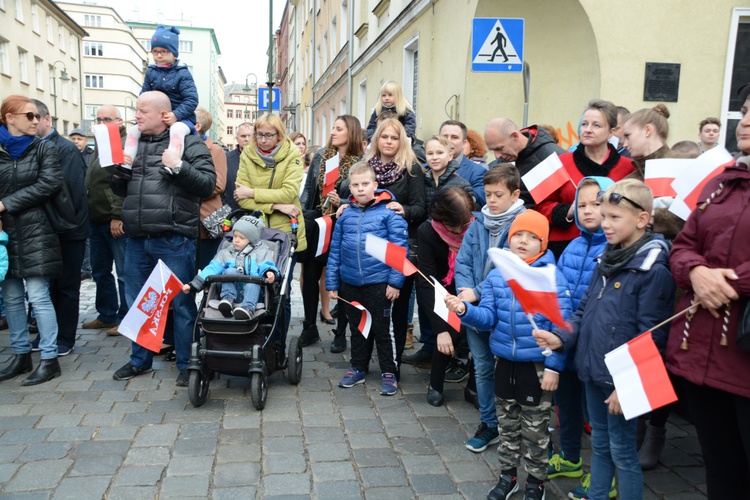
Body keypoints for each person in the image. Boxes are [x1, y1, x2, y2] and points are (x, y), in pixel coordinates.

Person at [534, 179, 676, 500]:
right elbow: (583, 312)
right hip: (593, 370)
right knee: (600, 443)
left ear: (642, 219)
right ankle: (597, 493)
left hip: (621, 382)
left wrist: (628, 387)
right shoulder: (608, 258)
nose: (605, 223)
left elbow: (652, 336)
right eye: (605, 215)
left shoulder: (652, 270)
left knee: (623, 451)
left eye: (614, 217)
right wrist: (559, 338)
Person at [445, 210, 572, 500]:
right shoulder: (497, 275)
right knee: (507, 426)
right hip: (504, 362)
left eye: (532, 237)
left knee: (536, 431)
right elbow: (488, 318)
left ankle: (536, 481)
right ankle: (508, 476)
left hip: (536, 367)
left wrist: (553, 367)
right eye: (518, 235)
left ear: (544, 242)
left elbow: (561, 326)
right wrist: (465, 311)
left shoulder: (551, 277)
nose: (523, 241)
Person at [664, 83, 750, 499]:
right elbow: (683, 244)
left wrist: (728, 281)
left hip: (744, 354)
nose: (746, 121)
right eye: (746, 110)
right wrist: (696, 273)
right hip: (702, 353)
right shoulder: (722, 183)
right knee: (720, 467)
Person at [110, 91, 216, 387]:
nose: (136, 116)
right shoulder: (133, 143)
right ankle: (139, 361)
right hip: (137, 238)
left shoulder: (188, 141)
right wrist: (118, 174)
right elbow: (121, 191)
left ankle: (186, 363)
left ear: (162, 114)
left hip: (174, 238)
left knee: (181, 304)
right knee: (138, 303)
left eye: (142, 111)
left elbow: (207, 184)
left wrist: (179, 166)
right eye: (136, 110)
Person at [547, 176, 615, 500]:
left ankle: (606, 477)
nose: (589, 210)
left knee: (601, 420)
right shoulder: (573, 245)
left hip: (595, 347)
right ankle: (570, 459)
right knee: (567, 405)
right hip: (568, 341)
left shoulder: (613, 248)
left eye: (596, 203)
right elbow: (562, 293)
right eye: (582, 204)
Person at [454, 164, 526, 453]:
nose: (492, 201)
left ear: (515, 194)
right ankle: (489, 423)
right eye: (488, 194)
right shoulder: (478, 223)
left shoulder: (523, 225)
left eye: (498, 195)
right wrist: (466, 292)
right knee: (482, 367)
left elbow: (512, 268)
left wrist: (478, 291)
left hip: (507, 310)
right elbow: (463, 261)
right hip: (474, 309)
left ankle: (521, 426)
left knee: (512, 372)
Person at [326, 162, 408, 396]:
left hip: (380, 283)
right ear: (349, 187)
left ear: (375, 185)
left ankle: (389, 372)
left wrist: (395, 282)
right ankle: (358, 367)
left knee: (383, 329)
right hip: (351, 283)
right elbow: (336, 250)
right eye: (355, 185)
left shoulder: (389, 213)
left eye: (365, 184)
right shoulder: (344, 215)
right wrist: (332, 282)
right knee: (358, 327)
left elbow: (399, 249)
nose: (360, 189)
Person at [0, 95, 63, 385]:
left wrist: (6, 204)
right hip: (5, 234)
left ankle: (49, 359)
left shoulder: (44, 148)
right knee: (11, 297)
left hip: (37, 230)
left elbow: (49, 184)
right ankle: (21, 355)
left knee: (38, 296)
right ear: (9, 118)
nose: (35, 120)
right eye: (29, 116)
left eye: (37, 116)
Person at [234, 113, 307, 364]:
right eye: (259, 134)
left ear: (280, 135)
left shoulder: (292, 155)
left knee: (278, 292)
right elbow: (239, 197)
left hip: (284, 233)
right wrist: (276, 204)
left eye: (269, 135)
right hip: (254, 231)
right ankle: (252, 341)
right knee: (251, 282)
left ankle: (276, 348)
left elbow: (290, 192)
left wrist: (254, 192)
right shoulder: (248, 153)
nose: (263, 140)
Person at [402, 135, 473, 367]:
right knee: (427, 297)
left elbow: (468, 215)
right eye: (430, 153)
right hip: (428, 242)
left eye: (439, 153)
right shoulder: (422, 179)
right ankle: (430, 345)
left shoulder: (459, 183)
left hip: (452, 250)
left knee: (451, 297)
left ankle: (455, 352)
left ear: (450, 155)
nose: (434, 157)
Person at [536, 100, 634, 258]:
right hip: (565, 248)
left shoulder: (629, 167)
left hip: (614, 249)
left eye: (596, 125)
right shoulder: (557, 162)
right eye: (584, 124)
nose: (588, 130)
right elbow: (540, 207)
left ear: (611, 132)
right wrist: (569, 211)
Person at [300, 115, 365, 348]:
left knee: (342, 279)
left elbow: (365, 198)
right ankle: (309, 327)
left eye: (339, 128)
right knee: (310, 275)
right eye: (333, 128)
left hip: (343, 225)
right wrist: (302, 219)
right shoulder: (321, 157)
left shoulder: (361, 162)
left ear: (352, 132)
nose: (333, 132)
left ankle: (340, 333)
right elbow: (309, 192)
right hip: (318, 224)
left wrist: (343, 201)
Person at [32, 99, 89, 357]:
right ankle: (49, 335)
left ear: (46, 119)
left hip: (67, 229)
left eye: (36, 117)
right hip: (45, 230)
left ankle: (65, 338)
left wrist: (67, 226)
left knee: (66, 287)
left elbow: (72, 191)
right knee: (48, 287)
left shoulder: (65, 149)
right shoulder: (32, 147)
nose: (32, 123)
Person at [366, 118, 425, 360]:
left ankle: (394, 360)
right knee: (370, 303)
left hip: (399, 246)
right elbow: (353, 195)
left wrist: (404, 209)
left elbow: (421, 207)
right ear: (377, 139)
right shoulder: (367, 167)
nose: (389, 142)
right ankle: (365, 357)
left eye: (394, 137)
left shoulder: (411, 168)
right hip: (370, 246)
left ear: (402, 141)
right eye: (384, 137)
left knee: (398, 308)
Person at [416, 187, 476, 406]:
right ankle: (436, 385)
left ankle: (473, 388)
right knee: (447, 335)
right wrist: (440, 329)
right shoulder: (428, 231)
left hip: (471, 287)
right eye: (454, 226)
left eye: (464, 223)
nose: (460, 230)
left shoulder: (474, 226)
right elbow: (426, 283)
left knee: (477, 335)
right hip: (441, 289)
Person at [123, 25, 199, 170]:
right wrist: (142, 113)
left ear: (174, 53)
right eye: (155, 51)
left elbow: (192, 99)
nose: (159, 55)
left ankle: (172, 164)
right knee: (133, 131)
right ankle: (126, 165)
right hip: (157, 117)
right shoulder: (151, 71)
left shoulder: (182, 73)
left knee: (176, 130)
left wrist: (176, 115)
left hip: (182, 118)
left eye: (164, 51)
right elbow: (144, 94)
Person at [83, 105, 128, 335]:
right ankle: (107, 314)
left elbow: (122, 181)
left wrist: (116, 215)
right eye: (98, 119)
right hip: (95, 218)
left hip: (113, 219)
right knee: (100, 270)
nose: (101, 123)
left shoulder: (123, 142)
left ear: (120, 121)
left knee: (122, 272)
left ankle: (126, 318)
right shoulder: (101, 142)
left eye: (107, 119)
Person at [184, 215, 278, 319]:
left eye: (241, 238)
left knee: (253, 283)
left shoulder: (262, 252)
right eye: (235, 236)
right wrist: (194, 285)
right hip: (228, 291)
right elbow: (212, 268)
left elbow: (267, 264)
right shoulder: (226, 253)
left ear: (252, 240)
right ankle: (227, 300)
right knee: (230, 271)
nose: (236, 240)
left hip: (253, 294)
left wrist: (269, 272)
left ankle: (247, 308)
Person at [621, 103, 685, 240]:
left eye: (628, 135)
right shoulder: (629, 181)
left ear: (647, 130)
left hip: (682, 254)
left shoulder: (686, 164)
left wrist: (650, 218)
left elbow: (698, 215)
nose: (625, 144)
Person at [484, 118, 567, 208]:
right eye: (493, 151)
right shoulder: (498, 164)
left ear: (515, 137)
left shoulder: (555, 158)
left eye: (499, 148)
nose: (497, 155)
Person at [195, 107, 228, 269]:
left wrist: (188, 192)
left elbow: (218, 184)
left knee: (211, 274)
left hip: (208, 223)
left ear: (197, 126)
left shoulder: (216, 150)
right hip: (185, 223)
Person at [440, 120, 487, 206]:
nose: (448, 141)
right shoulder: (425, 169)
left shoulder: (477, 171)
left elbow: (482, 198)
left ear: (464, 143)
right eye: (444, 136)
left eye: (454, 137)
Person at [224, 122, 254, 211]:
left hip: (258, 213)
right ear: (237, 138)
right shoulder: (226, 159)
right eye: (243, 136)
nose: (247, 139)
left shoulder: (264, 159)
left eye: (250, 136)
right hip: (232, 214)